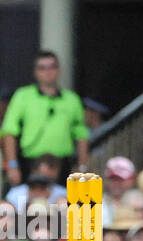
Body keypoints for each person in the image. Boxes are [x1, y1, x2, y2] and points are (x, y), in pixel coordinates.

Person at [2, 50, 89, 187]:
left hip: (62, 165)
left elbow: (81, 135)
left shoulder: (72, 99)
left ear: (58, 70)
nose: (48, 72)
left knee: (63, 205)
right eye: (42, 68)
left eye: (52, 67)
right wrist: (13, 165)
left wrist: (82, 168)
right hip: (30, 164)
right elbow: (9, 132)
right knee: (30, 206)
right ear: (36, 72)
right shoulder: (23, 96)